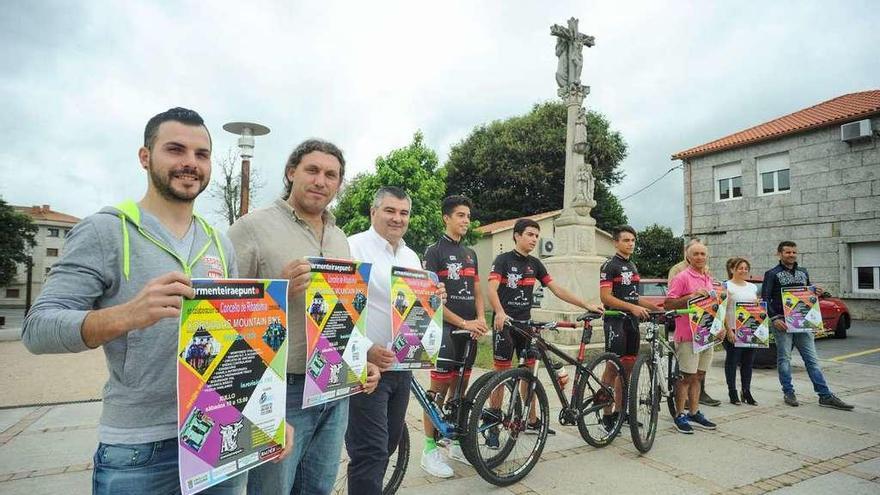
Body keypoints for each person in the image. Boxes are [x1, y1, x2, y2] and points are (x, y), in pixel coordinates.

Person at [22, 107, 292, 493]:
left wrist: (267, 415)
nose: (190, 163)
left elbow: (239, 345)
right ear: (145, 157)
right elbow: (38, 329)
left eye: (201, 154)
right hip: (139, 450)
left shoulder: (220, 243)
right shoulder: (105, 230)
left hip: (220, 433)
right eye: (175, 150)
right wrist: (127, 315)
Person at [228, 139, 379, 495]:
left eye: (331, 175)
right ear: (291, 172)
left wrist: (359, 362)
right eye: (312, 170)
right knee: (271, 490)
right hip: (280, 389)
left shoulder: (341, 238)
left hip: (334, 388)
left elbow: (344, 314)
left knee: (318, 488)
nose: (321, 181)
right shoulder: (251, 228)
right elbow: (219, 310)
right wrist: (276, 290)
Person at [346, 187, 446, 495]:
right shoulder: (352, 248)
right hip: (368, 369)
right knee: (371, 451)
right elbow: (335, 309)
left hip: (403, 367)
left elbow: (415, 306)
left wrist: (434, 298)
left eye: (403, 213)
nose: (397, 218)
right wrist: (366, 350)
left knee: (388, 444)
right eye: (390, 211)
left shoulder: (410, 255)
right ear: (373, 212)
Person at [486, 218, 603, 444]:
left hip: (525, 325)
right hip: (505, 324)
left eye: (536, 236)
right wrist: (499, 312)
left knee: (529, 374)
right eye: (530, 234)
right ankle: (493, 424)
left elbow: (556, 288)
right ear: (517, 235)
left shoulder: (535, 264)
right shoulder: (502, 260)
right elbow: (491, 288)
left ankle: (532, 420)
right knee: (499, 376)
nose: (534, 239)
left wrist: (585, 304)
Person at [420, 195, 488, 477]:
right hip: (445, 328)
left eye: (468, 216)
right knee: (438, 390)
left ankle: (454, 441)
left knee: (461, 389)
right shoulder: (434, 251)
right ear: (446, 218)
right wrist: (463, 322)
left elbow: (476, 290)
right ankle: (429, 449)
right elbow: (431, 298)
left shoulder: (470, 253)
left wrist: (481, 318)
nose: (465, 220)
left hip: (469, 328)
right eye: (460, 215)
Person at [763, 241, 853, 410]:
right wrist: (774, 318)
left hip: (802, 322)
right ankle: (788, 392)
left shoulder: (803, 272)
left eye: (793, 252)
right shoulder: (772, 274)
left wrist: (815, 291)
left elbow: (806, 295)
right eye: (787, 252)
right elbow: (765, 298)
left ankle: (825, 395)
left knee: (812, 360)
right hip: (782, 322)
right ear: (779, 254)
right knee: (784, 360)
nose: (791, 255)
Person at [598, 225, 661, 428]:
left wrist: (656, 308)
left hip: (632, 323)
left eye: (633, 240)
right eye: (626, 240)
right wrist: (632, 308)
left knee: (628, 370)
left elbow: (634, 297)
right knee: (612, 368)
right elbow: (605, 297)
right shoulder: (609, 265)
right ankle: (606, 414)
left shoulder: (632, 265)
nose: (631, 244)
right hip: (616, 321)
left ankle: (620, 411)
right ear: (616, 242)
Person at [664, 240, 718, 434]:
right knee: (686, 376)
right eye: (695, 254)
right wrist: (691, 296)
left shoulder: (708, 277)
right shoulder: (682, 277)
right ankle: (680, 414)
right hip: (687, 334)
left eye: (703, 254)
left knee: (699, 375)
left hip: (706, 333)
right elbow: (668, 304)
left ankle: (694, 411)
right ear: (688, 256)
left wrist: (719, 326)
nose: (700, 257)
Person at [721, 257, 759, 406]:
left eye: (745, 268)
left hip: (749, 328)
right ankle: (732, 392)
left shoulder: (752, 287)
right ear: (732, 270)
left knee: (748, 362)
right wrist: (727, 329)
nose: (743, 271)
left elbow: (756, 307)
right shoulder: (726, 286)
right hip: (733, 328)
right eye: (740, 268)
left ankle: (746, 391)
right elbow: (722, 309)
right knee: (732, 361)